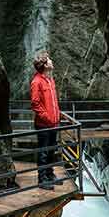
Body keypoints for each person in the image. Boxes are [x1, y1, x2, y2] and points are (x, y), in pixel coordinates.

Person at [30, 50, 61, 190]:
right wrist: (48, 118)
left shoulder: (50, 79)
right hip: (44, 124)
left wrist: (56, 117)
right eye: (49, 59)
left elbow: (54, 102)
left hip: (54, 123)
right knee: (43, 152)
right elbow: (35, 103)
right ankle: (42, 180)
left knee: (51, 150)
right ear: (44, 64)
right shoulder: (37, 82)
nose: (51, 61)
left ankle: (50, 174)